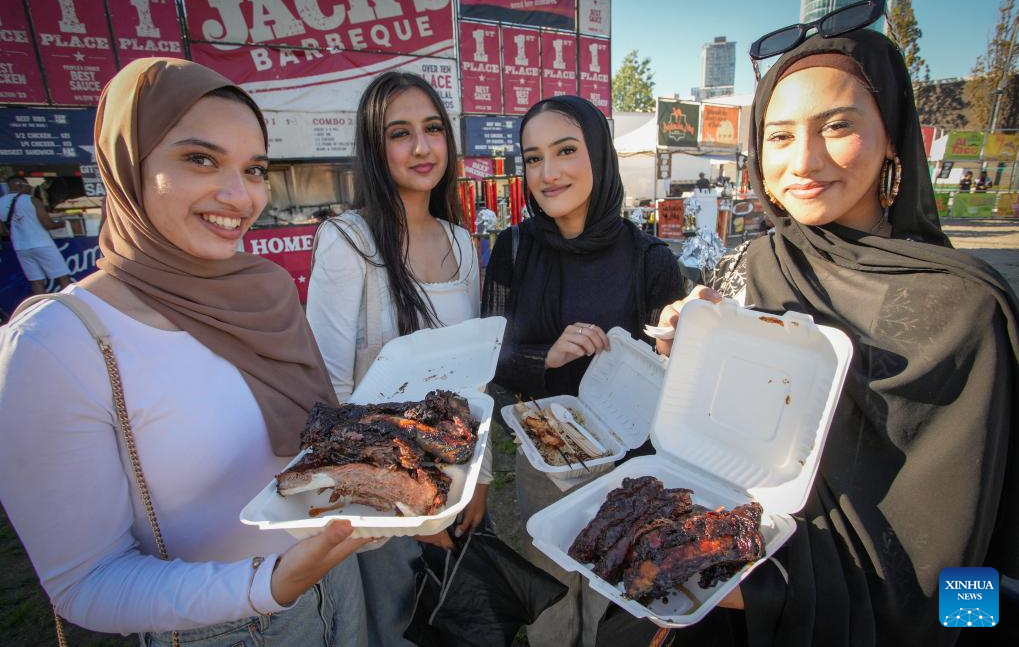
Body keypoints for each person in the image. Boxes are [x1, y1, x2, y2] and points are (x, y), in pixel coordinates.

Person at [656, 29, 1019, 647]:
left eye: (837, 126)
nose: (804, 161)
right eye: (779, 135)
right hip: (732, 571)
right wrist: (687, 347)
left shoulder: (965, 311)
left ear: (893, 138)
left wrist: (962, 628)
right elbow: (728, 433)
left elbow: (978, 543)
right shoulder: (753, 263)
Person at [0, 58, 370, 646]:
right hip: (222, 629)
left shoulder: (265, 292)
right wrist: (269, 584)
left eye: (254, 169)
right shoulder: (58, 343)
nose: (239, 195)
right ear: (128, 164)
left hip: (339, 590)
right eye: (200, 159)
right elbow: (85, 584)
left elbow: (312, 443)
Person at [481, 95, 683, 647]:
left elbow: (677, 376)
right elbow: (488, 354)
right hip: (546, 453)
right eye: (533, 157)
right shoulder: (514, 249)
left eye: (566, 150)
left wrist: (682, 339)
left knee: (616, 594)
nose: (549, 173)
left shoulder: (651, 260)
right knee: (551, 592)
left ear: (598, 154)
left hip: (630, 466)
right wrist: (542, 356)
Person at [305, 71, 488, 647]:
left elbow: (475, 376)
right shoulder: (348, 239)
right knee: (397, 627)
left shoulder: (462, 242)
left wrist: (475, 480)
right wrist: (411, 506)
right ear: (373, 148)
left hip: (456, 477)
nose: (422, 147)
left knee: (459, 619)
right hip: (379, 488)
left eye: (433, 129)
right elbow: (331, 389)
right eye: (399, 133)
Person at [0, 176, 73, 294]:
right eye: (27, 186)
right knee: (63, 277)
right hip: (42, 244)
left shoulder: (1, 202)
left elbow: (2, 231)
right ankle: (71, 306)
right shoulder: (32, 200)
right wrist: (62, 223)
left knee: (36, 282)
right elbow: (47, 224)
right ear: (20, 185)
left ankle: (40, 309)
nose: (30, 189)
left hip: (21, 248)